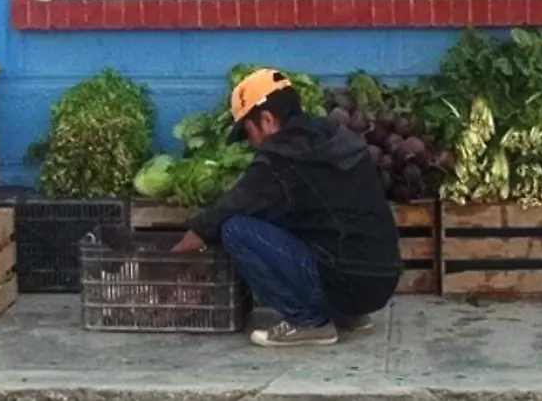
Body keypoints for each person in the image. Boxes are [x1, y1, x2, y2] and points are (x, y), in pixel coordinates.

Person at [172, 68, 402, 347]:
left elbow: (221, 214)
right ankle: (349, 315)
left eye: (248, 132)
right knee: (300, 221)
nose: (251, 143)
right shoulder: (332, 134)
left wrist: (172, 259)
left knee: (235, 229)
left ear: (267, 120)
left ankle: (308, 322)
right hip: (381, 283)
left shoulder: (280, 159)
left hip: (344, 284)